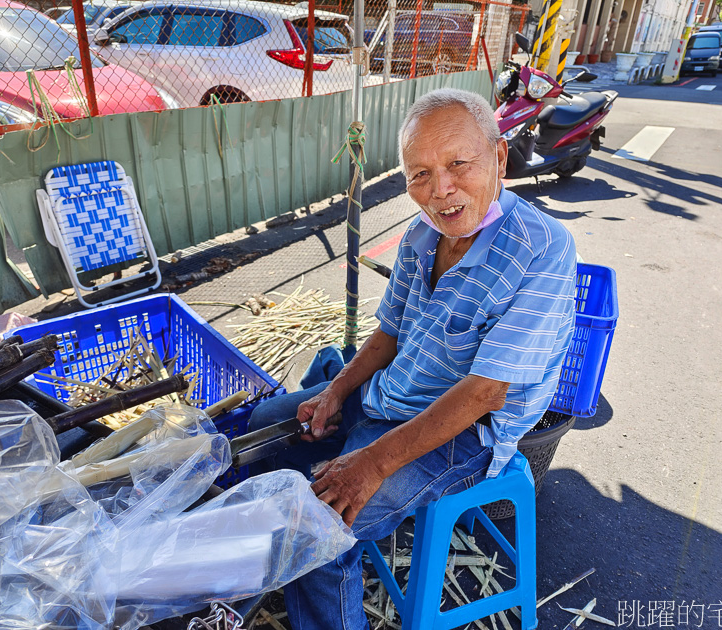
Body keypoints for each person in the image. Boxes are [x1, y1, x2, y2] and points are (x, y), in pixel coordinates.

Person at [247, 87, 577, 630]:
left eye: (457, 164)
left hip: (464, 435)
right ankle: (278, 558)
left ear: (497, 157)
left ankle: (312, 574)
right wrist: (336, 392)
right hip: (390, 398)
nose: (439, 190)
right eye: (418, 174)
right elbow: (387, 334)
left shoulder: (542, 248)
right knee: (265, 427)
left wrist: (372, 463)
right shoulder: (423, 234)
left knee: (320, 528)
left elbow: (485, 393)